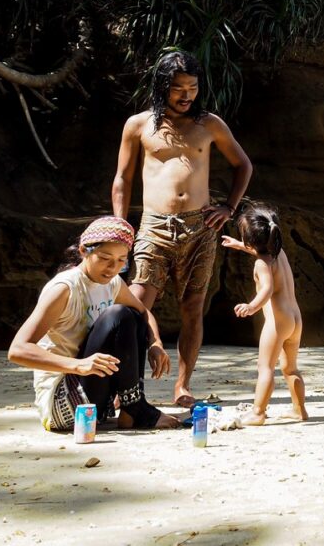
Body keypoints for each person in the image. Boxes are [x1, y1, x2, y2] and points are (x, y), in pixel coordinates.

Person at [112, 50, 252, 408]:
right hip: (153, 226)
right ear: (162, 87)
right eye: (178, 88)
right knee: (134, 304)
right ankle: (127, 386)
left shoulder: (210, 124)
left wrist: (229, 208)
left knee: (193, 307)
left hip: (200, 227)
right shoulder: (139, 125)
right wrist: (120, 227)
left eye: (192, 87)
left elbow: (243, 166)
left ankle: (182, 386)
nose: (186, 95)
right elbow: (123, 180)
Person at [9, 216, 181, 431]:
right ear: (84, 251)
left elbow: (143, 311)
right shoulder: (64, 288)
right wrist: (79, 365)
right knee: (118, 314)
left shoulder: (113, 283)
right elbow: (17, 350)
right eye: (105, 258)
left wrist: (155, 343)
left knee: (132, 316)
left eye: (121, 261)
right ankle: (137, 409)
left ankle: (131, 409)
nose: (112, 268)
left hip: (97, 400)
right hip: (64, 405)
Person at [221, 202, 306, 425]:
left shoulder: (261, 264)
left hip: (278, 323)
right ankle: (299, 411)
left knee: (265, 367)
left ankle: (258, 412)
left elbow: (267, 288)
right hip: (295, 319)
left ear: (252, 240)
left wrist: (252, 306)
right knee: (290, 368)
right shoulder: (280, 253)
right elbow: (261, 250)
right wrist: (239, 245)